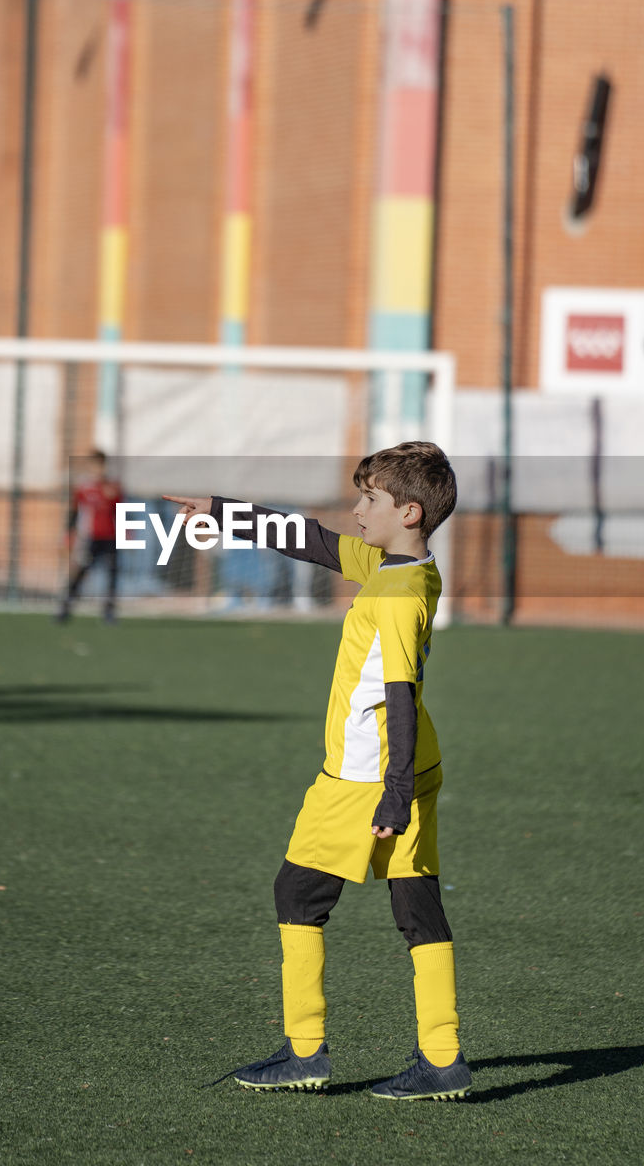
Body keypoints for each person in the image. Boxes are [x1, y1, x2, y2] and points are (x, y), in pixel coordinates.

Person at [164, 442, 470, 1100]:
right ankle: (442, 1057)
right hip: (413, 766)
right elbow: (314, 542)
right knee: (417, 906)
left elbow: (399, 694)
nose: (357, 510)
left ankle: (305, 1050)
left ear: (409, 511)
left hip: (367, 775)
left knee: (297, 895)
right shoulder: (405, 569)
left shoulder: (394, 592)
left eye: (371, 500)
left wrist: (389, 798)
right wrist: (224, 511)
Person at [57, 450, 123, 623]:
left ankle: (109, 612)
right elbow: (74, 512)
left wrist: (127, 533)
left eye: (101, 466)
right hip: (91, 539)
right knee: (81, 572)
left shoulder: (113, 488)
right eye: (95, 466)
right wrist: (68, 534)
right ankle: (65, 607)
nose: (98, 470)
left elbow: (121, 513)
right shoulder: (84, 489)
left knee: (112, 574)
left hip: (111, 539)